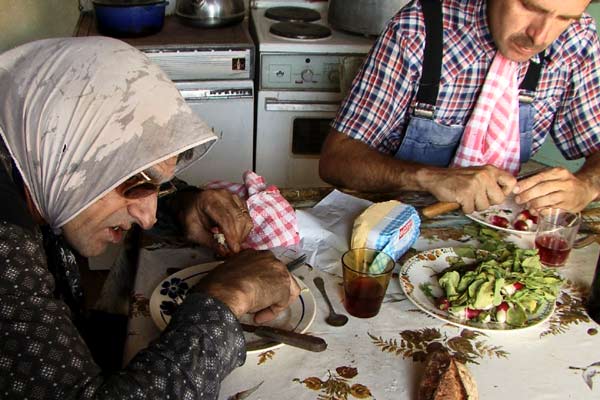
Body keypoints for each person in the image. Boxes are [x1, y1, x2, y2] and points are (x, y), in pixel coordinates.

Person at [0, 37, 300, 399]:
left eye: (157, 188)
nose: (148, 217)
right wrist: (227, 296)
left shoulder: (34, 165)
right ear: (66, 149)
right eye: (139, 184)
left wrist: (184, 203)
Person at [320, 0, 600, 214]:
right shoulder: (419, 29)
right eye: (528, 6)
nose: (540, 36)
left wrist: (586, 185)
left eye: (565, 18)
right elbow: (336, 159)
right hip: (395, 219)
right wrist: (428, 177)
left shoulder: (577, 40)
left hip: (499, 228)